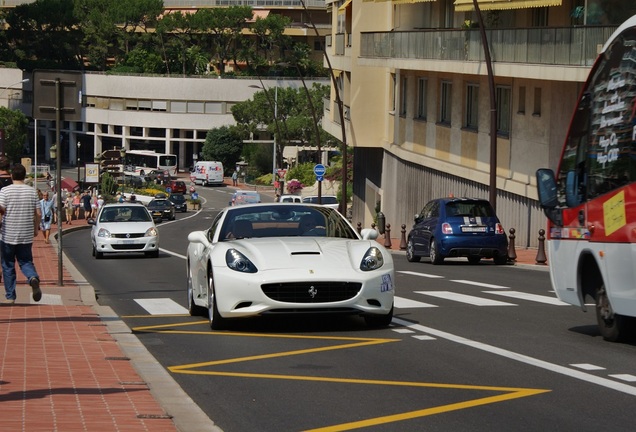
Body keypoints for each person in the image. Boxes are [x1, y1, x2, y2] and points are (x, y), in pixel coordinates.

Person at [0, 163, 42, 304]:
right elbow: (38, 214)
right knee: (25, 261)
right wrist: (36, 228)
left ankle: (10, 296)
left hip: (8, 234)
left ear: (12, 175)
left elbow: (1, 210)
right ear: (24, 176)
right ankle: (32, 277)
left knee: (8, 265)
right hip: (26, 233)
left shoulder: (5, 191)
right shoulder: (32, 192)